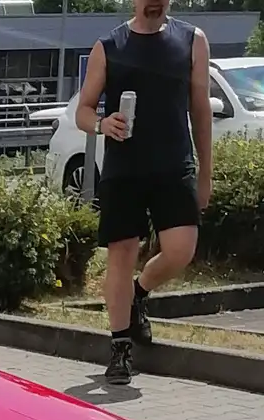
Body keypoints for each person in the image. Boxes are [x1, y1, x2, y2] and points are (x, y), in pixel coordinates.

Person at [75, 0, 213, 386]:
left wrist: (206, 173)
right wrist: (102, 124)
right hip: (125, 170)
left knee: (181, 250)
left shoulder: (192, 41)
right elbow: (82, 110)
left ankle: (139, 292)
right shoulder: (110, 46)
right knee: (121, 253)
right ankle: (120, 349)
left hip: (174, 165)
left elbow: (200, 109)